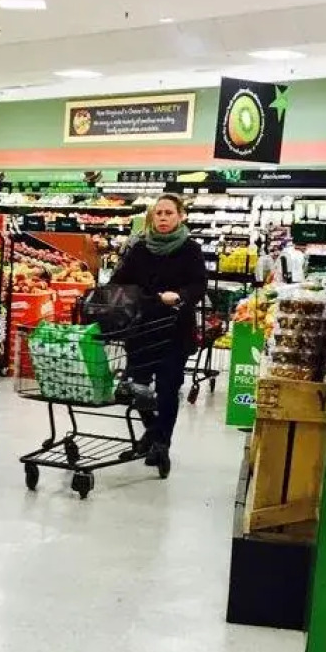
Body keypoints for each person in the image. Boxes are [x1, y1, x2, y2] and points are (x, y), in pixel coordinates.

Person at [109, 193, 209, 468]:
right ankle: (151, 432)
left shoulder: (190, 249)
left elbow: (199, 285)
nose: (163, 218)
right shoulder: (140, 248)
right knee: (138, 388)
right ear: (152, 217)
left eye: (169, 213)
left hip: (174, 328)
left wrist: (179, 295)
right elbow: (120, 281)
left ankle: (161, 443)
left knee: (167, 388)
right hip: (141, 329)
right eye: (159, 213)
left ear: (180, 216)